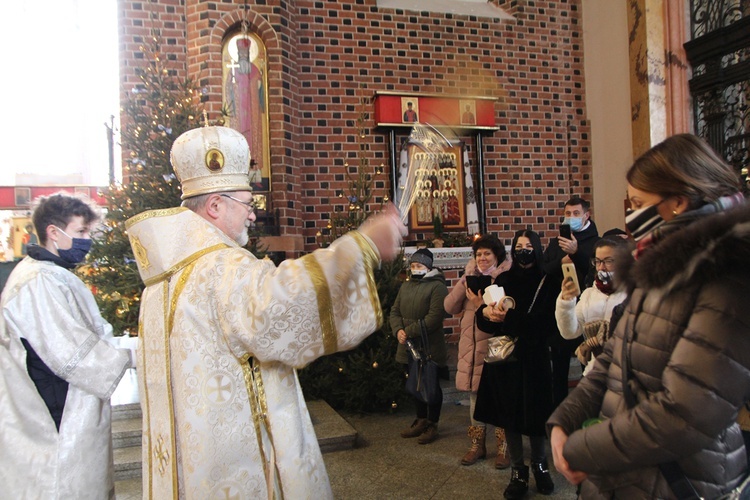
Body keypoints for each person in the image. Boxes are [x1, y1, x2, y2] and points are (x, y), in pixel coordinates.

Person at [126, 126, 405, 499]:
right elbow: (281, 306)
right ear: (215, 206)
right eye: (247, 203)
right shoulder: (219, 268)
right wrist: (364, 244)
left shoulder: (160, 282)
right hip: (236, 466)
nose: (253, 215)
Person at [548, 133, 750, 498]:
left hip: (681, 480)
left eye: (638, 203)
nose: (630, 214)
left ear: (677, 201)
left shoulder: (727, 277)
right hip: (625, 473)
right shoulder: (657, 266)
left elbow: (684, 414)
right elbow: (614, 358)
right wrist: (564, 421)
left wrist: (580, 448)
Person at [0, 193, 132, 498]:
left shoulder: (48, 274)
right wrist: (131, 356)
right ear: (53, 232)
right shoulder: (39, 282)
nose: (87, 241)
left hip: (57, 393)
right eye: (81, 232)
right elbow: (72, 352)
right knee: (61, 481)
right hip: (56, 403)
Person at [474, 229, 558, 499]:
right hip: (507, 359)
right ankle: (518, 471)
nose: (524, 250)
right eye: (519, 246)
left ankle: (540, 466)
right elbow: (485, 318)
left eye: (528, 245)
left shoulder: (548, 279)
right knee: (509, 415)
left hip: (534, 357)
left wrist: (509, 318)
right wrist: (486, 313)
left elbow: (546, 323)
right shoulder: (505, 279)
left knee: (536, 414)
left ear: (537, 248)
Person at [444, 234, 512, 467]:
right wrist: (464, 284)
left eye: (487, 254)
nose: (482, 258)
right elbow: (449, 307)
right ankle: (477, 445)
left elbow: (504, 318)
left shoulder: (504, 280)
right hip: (470, 350)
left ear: (497, 256)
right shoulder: (469, 279)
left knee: (501, 398)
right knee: (475, 396)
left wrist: (479, 305)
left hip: (493, 347)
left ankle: (504, 448)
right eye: (479, 254)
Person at [542, 196, 599, 407]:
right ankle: (559, 408)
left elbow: (595, 270)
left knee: (587, 361)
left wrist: (577, 253)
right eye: (568, 214)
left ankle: (587, 406)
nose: (571, 218)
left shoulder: (596, 241)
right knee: (559, 365)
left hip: (585, 309)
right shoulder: (559, 241)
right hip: (561, 309)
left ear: (586, 215)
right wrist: (561, 261)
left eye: (576, 214)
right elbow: (545, 268)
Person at [392, 248, 449, 444]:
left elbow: (434, 318)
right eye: (413, 266)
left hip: (428, 345)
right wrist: (398, 330)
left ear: (429, 267)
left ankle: (432, 423)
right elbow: (395, 311)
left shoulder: (437, 287)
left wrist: (408, 331)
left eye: (420, 266)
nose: (415, 269)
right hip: (407, 344)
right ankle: (421, 419)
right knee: (415, 382)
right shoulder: (406, 286)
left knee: (430, 384)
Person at [555, 238, 629, 377]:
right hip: (594, 373)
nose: (601, 267)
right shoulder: (589, 294)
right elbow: (569, 332)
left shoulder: (634, 293)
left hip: (625, 373)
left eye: (608, 261)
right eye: (598, 261)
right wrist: (566, 302)